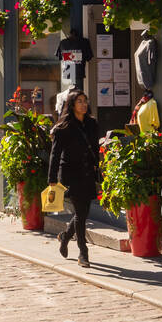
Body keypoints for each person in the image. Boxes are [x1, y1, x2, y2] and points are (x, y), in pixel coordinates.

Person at [49, 89, 100, 269]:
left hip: (87, 172)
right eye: (79, 101)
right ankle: (83, 252)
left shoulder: (92, 124)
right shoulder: (64, 127)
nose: (83, 104)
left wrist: (98, 166)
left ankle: (65, 236)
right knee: (80, 213)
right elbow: (55, 154)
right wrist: (52, 178)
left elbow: (95, 148)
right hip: (71, 174)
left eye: (85, 101)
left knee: (83, 213)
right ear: (71, 105)